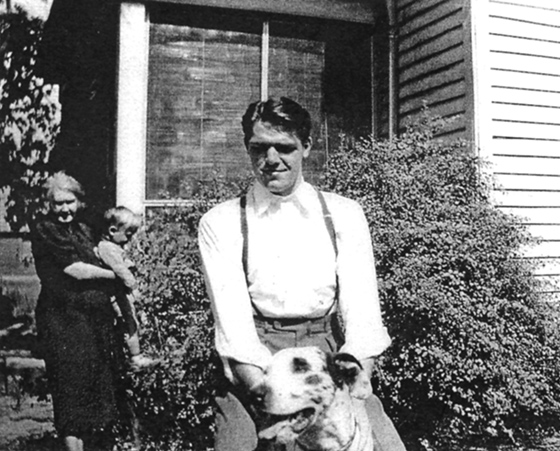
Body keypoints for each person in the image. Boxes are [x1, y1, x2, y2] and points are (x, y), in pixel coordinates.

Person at [199, 97, 406, 451]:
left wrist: (352, 385)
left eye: (285, 148)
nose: (271, 160)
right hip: (257, 360)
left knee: (382, 444)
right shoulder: (221, 222)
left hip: (325, 357)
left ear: (307, 147)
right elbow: (234, 331)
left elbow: (363, 316)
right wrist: (271, 397)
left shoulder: (344, 214)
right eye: (259, 148)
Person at [31, 171, 122, 451]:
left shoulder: (83, 229)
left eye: (69, 202)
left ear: (78, 202)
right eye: (58, 203)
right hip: (63, 323)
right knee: (71, 393)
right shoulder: (46, 229)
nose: (64, 209)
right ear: (49, 204)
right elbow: (75, 270)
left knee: (96, 390)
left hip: (93, 323)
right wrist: (116, 275)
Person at [95, 206, 157, 370]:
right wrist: (133, 285)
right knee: (129, 322)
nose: (130, 238)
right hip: (117, 294)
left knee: (130, 321)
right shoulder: (107, 248)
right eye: (128, 233)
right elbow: (120, 269)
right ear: (113, 230)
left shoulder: (113, 247)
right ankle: (135, 357)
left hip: (121, 292)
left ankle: (127, 356)